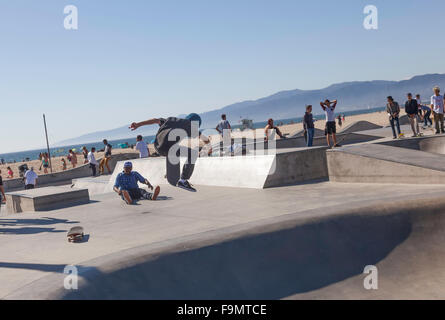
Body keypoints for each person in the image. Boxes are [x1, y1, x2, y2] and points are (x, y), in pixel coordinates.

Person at [129, 113, 211, 192]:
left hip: (157, 146)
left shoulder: (170, 119)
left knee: (177, 145)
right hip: (168, 148)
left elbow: (155, 120)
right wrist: (209, 142)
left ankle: (169, 171)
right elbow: (204, 139)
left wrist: (138, 124)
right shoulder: (189, 124)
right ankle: (183, 180)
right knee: (192, 153)